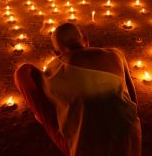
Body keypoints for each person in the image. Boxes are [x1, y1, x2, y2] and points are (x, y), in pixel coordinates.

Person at [14, 23, 141, 156]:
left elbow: (50, 101)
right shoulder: (116, 54)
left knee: (22, 73)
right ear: (85, 41)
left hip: (87, 148)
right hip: (129, 141)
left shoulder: (55, 69)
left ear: (57, 53)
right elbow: (133, 100)